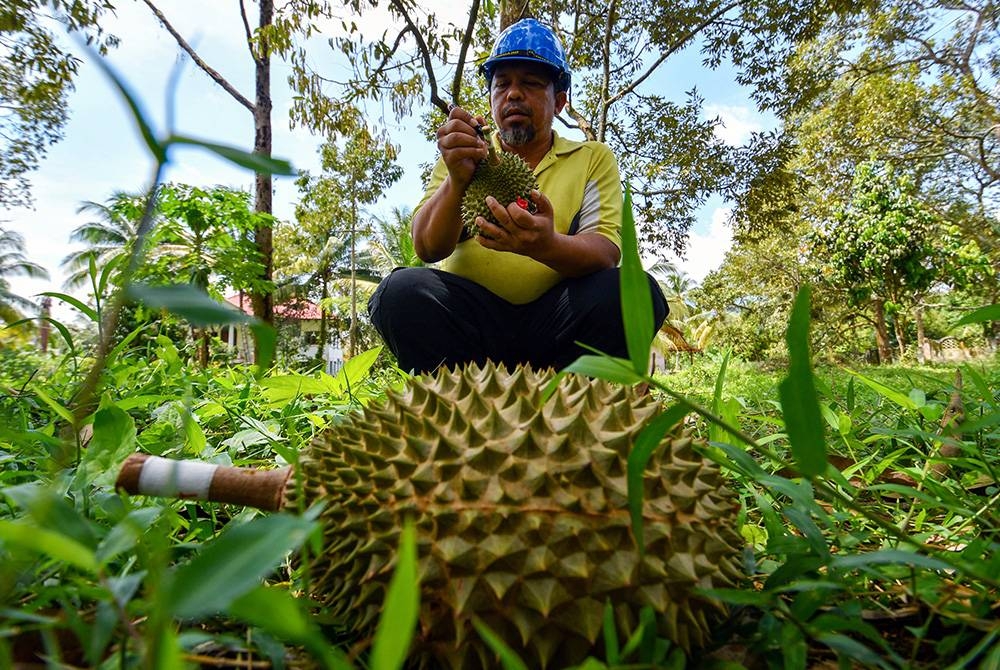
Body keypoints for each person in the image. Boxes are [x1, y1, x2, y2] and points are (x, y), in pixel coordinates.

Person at [368, 18, 667, 373]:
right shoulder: (460, 156)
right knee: (400, 292)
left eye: (530, 83)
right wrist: (457, 179)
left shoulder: (591, 158)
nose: (513, 94)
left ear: (558, 101)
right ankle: (456, 410)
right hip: (471, 331)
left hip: (558, 327)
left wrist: (545, 244)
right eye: (502, 84)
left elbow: (604, 252)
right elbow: (427, 248)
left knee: (631, 292)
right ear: (492, 97)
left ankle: (574, 412)